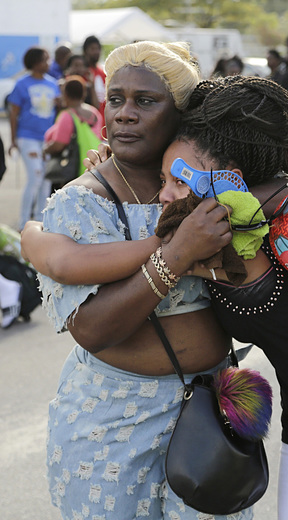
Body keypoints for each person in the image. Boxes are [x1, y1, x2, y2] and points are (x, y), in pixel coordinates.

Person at [23, 75, 288, 520]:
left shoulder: (236, 231)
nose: (163, 196)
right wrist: (108, 176)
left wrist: (32, 235)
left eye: (176, 181)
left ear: (228, 180)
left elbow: (76, 265)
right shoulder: (237, 221)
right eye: (161, 179)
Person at [22, 40, 251, 520]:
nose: (125, 113)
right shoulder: (82, 202)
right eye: (116, 99)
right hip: (109, 427)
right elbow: (93, 329)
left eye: (146, 101)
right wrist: (176, 255)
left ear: (182, 115)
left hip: (209, 414)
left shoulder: (214, 188)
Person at [7, 46, 60, 230]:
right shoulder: (21, 84)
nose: (48, 63)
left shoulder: (53, 84)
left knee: (46, 179)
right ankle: (24, 223)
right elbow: (13, 113)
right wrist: (13, 140)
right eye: (45, 59)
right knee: (35, 176)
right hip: (27, 137)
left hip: (47, 139)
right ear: (35, 62)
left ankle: (40, 221)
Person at [43, 75, 102, 188]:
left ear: (65, 94)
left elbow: (58, 145)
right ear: (84, 94)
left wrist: (45, 150)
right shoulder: (94, 113)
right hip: (93, 165)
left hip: (73, 170)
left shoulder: (67, 115)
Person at [82, 35, 106, 111]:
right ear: (85, 51)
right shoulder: (83, 72)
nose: (96, 52)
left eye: (98, 49)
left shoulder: (103, 72)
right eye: (93, 49)